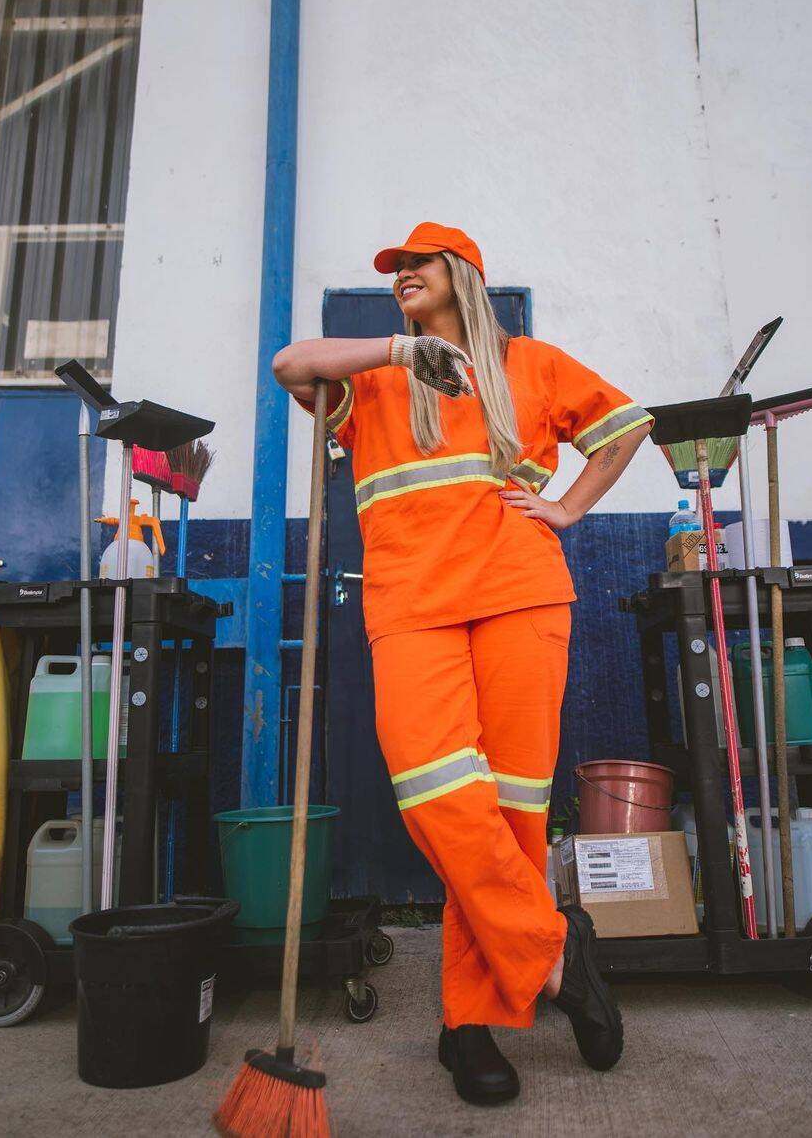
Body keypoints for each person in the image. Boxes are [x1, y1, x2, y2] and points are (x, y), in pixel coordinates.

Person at [272, 222, 653, 1106]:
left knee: (511, 811)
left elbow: (627, 428)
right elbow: (292, 363)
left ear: (463, 274)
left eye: (418, 262)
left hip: (520, 594)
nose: (402, 273)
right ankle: (555, 953)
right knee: (437, 793)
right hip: (409, 606)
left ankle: (468, 1025)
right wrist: (405, 349)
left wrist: (566, 508)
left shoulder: (531, 363)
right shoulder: (372, 374)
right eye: (394, 269)